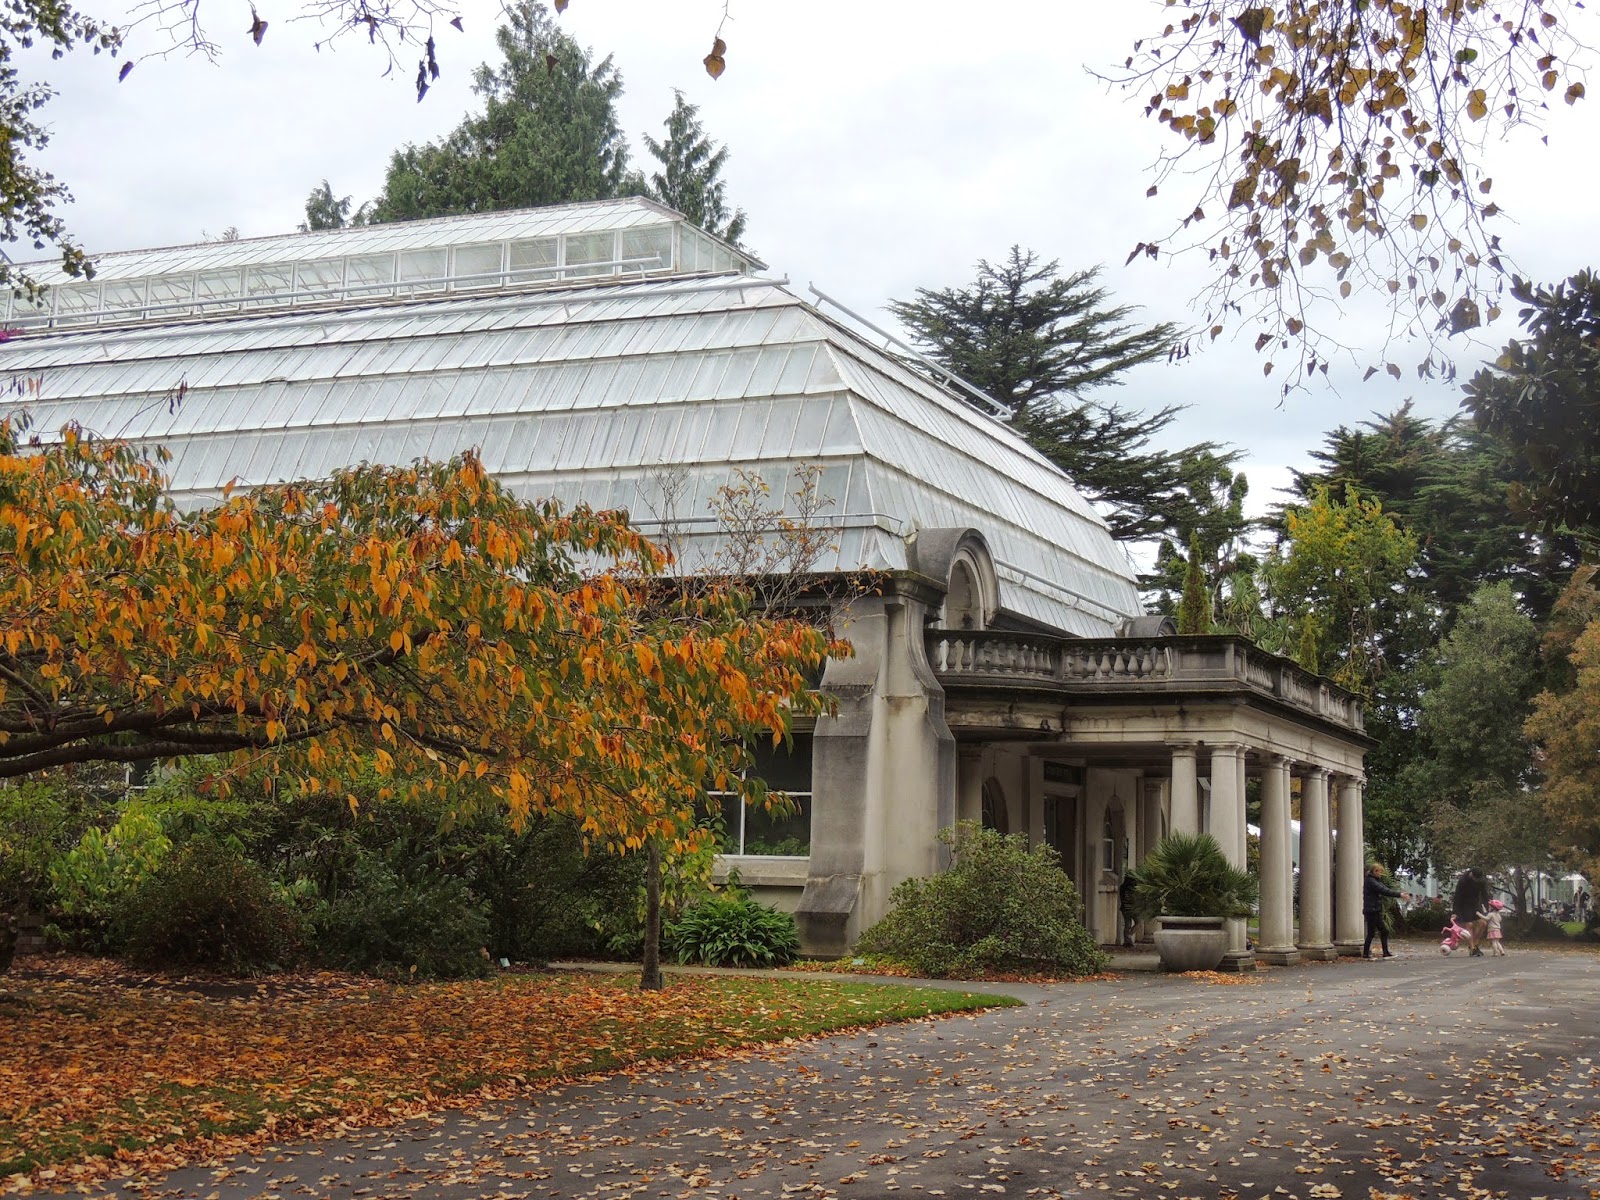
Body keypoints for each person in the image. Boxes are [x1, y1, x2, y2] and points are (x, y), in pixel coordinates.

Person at [1363, 863, 1403, 959]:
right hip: (1372, 910)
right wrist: (1399, 895)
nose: (1381, 874)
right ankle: (1371, 953)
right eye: (1380, 872)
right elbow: (1384, 890)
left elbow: (1385, 888)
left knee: (1379, 932)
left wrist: (1399, 894)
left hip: (1373, 910)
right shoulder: (1371, 881)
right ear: (1375, 871)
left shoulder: (1373, 880)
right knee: (1378, 932)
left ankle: (1381, 953)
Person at [1452, 867, 1492, 957]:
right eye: (1475, 879)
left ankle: (1474, 945)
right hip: (1464, 904)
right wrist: (1455, 911)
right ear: (1471, 874)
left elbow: (1485, 894)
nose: (1476, 881)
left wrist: (1489, 907)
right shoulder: (1463, 880)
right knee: (1469, 925)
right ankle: (1472, 948)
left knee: (1483, 923)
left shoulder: (1481, 880)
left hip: (1476, 903)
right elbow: (1457, 896)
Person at [1118, 871, 1138, 948]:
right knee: (1138, 922)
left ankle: (1127, 939)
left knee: (1128, 924)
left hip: (1124, 908)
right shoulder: (1132, 888)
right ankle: (1128, 938)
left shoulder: (1123, 887)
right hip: (1130, 907)